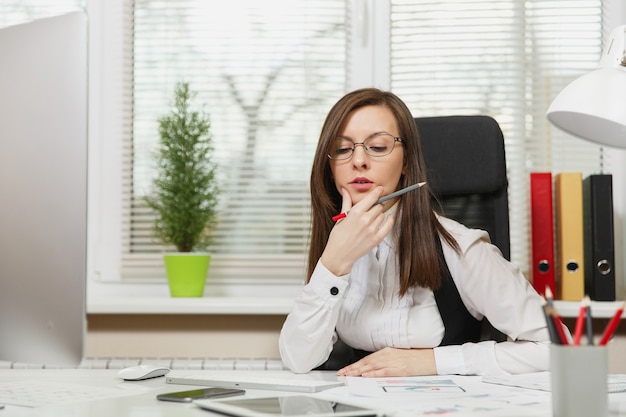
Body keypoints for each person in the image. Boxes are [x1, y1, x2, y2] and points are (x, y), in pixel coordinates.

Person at [279, 88, 564, 377]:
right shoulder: (335, 245)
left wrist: (433, 362)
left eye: (378, 147)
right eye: (342, 149)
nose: (359, 161)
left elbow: (560, 348)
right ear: (329, 168)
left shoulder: (462, 249)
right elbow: (299, 360)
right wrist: (333, 265)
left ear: (406, 163)